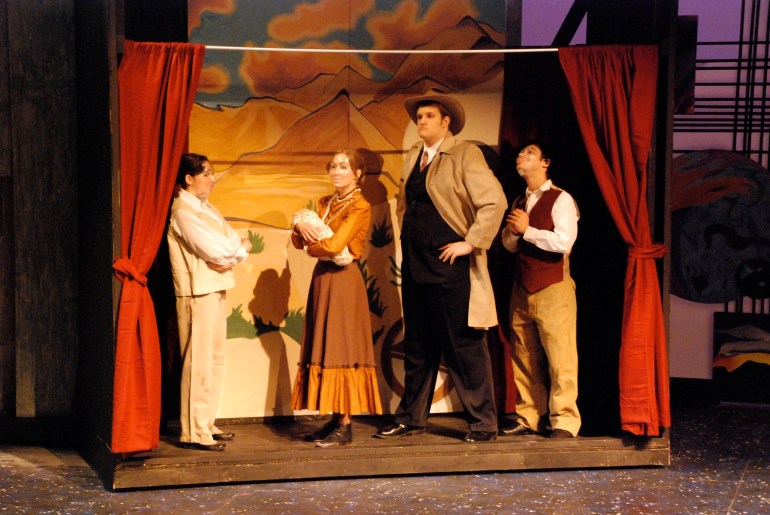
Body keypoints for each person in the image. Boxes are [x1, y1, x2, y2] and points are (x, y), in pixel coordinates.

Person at [375, 94, 507, 443]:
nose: (421, 121)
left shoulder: (464, 154)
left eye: (429, 115)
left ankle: (483, 423)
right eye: (419, 116)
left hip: (451, 267)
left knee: (464, 346)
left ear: (446, 122)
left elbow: (494, 202)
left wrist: (471, 241)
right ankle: (411, 418)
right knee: (418, 345)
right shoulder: (413, 157)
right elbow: (405, 204)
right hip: (417, 265)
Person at [291, 148, 383, 448]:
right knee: (325, 344)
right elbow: (299, 240)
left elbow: (334, 245)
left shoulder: (360, 206)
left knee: (341, 346)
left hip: (344, 280)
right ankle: (333, 418)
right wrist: (300, 227)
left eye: (344, 166)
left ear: (357, 173)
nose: (336, 171)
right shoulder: (325, 203)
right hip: (323, 278)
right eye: (333, 166)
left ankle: (345, 424)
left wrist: (311, 246)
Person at [167, 153, 252, 451]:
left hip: (216, 286)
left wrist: (236, 252)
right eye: (206, 173)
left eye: (212, 173)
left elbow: (234, 242)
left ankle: (206, 422)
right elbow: (216, 251)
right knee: (198, 362)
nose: (212, 178)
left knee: (215, 359)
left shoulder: (208, 208)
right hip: (197, 291)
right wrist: (235, 252)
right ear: (189, 178)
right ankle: (194, 430)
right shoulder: (183, 211)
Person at [499, 141, 581, 439]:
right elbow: (509, 245)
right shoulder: (519, 200)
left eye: (530, 153)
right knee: (524, 355)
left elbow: (564, 242)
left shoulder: (561, 199)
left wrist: (528, 231)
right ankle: (529, 416)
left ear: (545, 163)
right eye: (521, 153)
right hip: (523, 287)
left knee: (560, 357)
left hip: (553, 287)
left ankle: (565, 421)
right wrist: (513, 233)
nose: (522, 156)